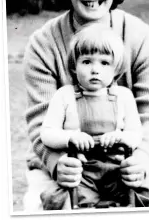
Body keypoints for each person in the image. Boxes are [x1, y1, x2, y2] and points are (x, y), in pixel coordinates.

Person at [23, 0, 149, 211]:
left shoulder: (143, 38)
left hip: (136, 152)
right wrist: (56, 162)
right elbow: (41, 120)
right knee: (40, 208)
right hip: (69, 158)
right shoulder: (42, 44)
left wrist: (143, 159)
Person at [39, 26, 142, 209]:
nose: (95, 69)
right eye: (87, 62)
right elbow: (47, 133)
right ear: (74, 65)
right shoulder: (65, 95)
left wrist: (120, 138)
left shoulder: (123, 96)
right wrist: (71, 137)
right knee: (62, 203)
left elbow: (135, 135)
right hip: (81, 171)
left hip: (116, 170)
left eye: (104, 63)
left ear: (116, 68)